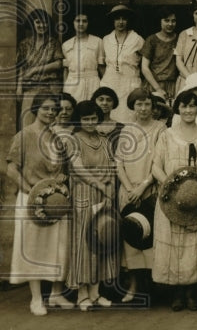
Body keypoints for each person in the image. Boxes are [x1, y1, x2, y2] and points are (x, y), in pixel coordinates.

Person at [6, 93, 74, 315]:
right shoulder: (24, 136)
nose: (51, 113)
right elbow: (11, 169)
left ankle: (55, 294)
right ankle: (36, 299)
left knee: (58, 246)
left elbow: (62, 170)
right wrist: (29, 189)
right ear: (36, 109)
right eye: (46, 108)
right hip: (31, 200)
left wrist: (61, 181)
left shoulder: (56, 139)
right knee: (33, 247)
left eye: (54, 109)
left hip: (54, 201)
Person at [151, 90, 197, 311]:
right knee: (173, 245)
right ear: (178, 109)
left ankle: (191, 292)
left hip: (196, 197)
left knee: (194, 245)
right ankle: (176, 293)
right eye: (184, 106)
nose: (188, 110)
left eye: (192, 106)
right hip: (169, 198)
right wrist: (171, 186)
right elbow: (156, 166)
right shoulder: (167, 135)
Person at [65, 99, 119, 310]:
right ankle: (82, 295)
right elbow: (78, 169)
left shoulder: (104, 140)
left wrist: (109, 192)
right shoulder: (73, 140)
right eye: (85, 119)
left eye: (93, 118)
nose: (89, 122)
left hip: (104, 195)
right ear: (79, 120)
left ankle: (96, 293)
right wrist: (100, 185)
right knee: (84, 244)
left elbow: (112, 168)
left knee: (102, 241)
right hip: (83, 195)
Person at [117, 88, 167, 303]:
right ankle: (134, 286)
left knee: (151, 239)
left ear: (153, 107)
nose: (143, 108)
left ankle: (153, 288)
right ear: (133, 106)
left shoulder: (160, 128)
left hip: (149, 191)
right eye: (139, 104)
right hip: (128, 192)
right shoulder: (127, 129)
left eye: (147, 104)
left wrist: (143, 187)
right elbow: (119, 162)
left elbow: (158, 163)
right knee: (132, 237)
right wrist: (129, 188)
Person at [17, 9, 65, 128]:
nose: (41, 25)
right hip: (30, 89)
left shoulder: (53, 43)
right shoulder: (25, 44)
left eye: (44, 23)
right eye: (38, 22)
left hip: (50, 88)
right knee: (27, 123)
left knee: (50, 124)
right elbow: (22, 67)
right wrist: (19, 87)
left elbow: (59, 63)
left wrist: (35, 70)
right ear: (33, 24)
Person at [99, 4, 144, 123]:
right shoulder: (106, 40)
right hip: (111, 82)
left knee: (129, 115)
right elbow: (101, 64)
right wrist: (109, 77)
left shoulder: (137, 39)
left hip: (130, 82)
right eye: (117, 19)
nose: (121, 22)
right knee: (110, 114)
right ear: (113, 21)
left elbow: (144, 64)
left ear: (128, 20)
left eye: (124, 19)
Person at [62, 12, 105, 106]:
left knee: (93, 108)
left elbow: (101, 67)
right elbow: (66, 69)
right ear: (73, 22)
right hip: (73, 83)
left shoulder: (97, 41)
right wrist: (65, 88)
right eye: (78, 21)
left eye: (84, 21)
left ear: (88, 23)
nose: (81, 24)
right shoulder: (66, 45)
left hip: (93, 81)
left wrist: (104, 86)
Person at [140, 8, 179, 102]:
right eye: (166, 20)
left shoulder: (179, 39)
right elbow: (144, 67)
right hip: (153, 84)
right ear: (160, 21)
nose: (170, 24)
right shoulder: (152, 40)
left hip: (172, 85)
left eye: (173, 21)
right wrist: (157, 89)